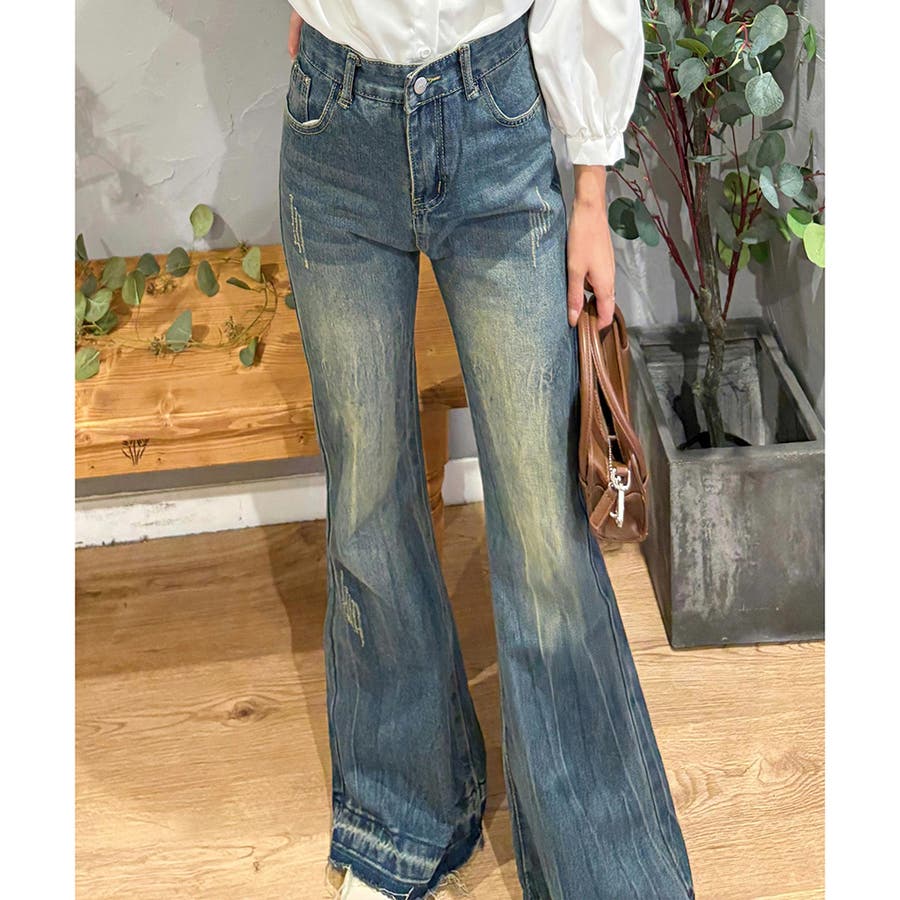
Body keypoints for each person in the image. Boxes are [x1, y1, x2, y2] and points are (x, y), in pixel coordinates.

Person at [277, 2, 695, 898]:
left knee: (545, 526)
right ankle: (403, 819)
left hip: (492, 113)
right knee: (366, 503)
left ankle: (601, 869)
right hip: (333, 120)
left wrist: (591, 192)